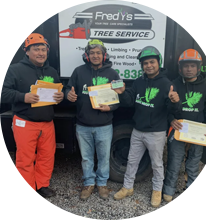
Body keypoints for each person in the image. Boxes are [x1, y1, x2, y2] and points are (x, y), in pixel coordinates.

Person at [0, 33, 64, 207]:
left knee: (46, 156)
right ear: (26, 51)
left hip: (47, 123)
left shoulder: (51, 72)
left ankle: (41, 185)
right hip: (25, 122)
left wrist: (60, 97)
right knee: (26, 159)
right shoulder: (14, 70)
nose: (41, 53)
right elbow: (1, 91)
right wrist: (22, 97)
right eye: (36, 49)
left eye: (43, 49)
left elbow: (56, 94)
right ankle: (27, 191)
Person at [113, 46, 181, 208]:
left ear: (159, 63)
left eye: (152, 62)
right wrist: (122, 93)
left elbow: (173, 111)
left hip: (156, 133)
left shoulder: (167, 85)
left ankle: (157, 191)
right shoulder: (139, 81)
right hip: (137, 131)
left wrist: (174, 101)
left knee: (156, 164)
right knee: (132, 161)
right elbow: (129, 102)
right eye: (145, 63)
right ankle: (127, 187)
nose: (148, 65)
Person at [65, 39, 120, 200]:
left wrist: (110, 108)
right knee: (87, 157)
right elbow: (69, 88)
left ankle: (102, 183)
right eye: (92, 53)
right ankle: (89, 182)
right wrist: (69, 94)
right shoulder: (78, 71)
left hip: (104, 125)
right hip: (83, 125)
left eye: (98, 53)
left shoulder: (112, 74)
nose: (95, 56)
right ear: (86, 55)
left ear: (104, 55)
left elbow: (118, 99)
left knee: (103, 157)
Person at [163, 49, 206, 206]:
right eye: (186, 66)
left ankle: (190, 190)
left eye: (193, 65)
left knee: (193, 163)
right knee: (174, 161)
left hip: (198, 133)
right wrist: (171, 120)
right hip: (178, 131)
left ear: (199, 67)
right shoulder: (174, 85)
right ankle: (168, 189)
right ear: (180, 68)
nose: (189, 69)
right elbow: (165, 108)